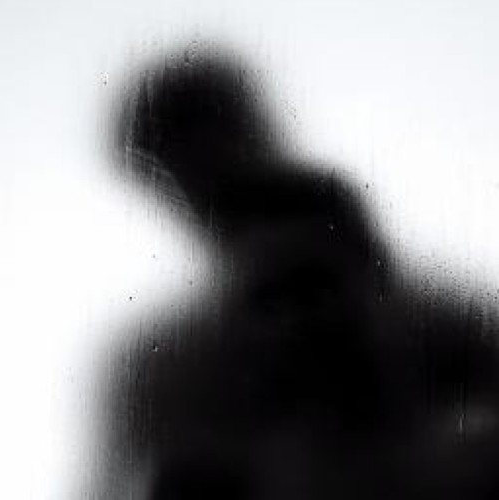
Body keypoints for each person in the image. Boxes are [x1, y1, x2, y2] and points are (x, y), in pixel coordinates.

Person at [109, 46, 499, 499]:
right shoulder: (174, 373)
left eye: (313, 290)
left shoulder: (439, 325)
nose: (299, 321)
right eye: (275, 300)